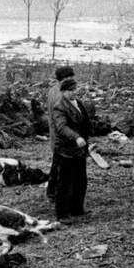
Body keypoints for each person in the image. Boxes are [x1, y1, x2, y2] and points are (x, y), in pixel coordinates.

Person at [49, 69, 93, 221]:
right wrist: (76, 137)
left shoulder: (77, 103)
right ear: (63, 91)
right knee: (64, 183)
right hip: (66, 150)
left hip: (80, 150)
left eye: (75, 90)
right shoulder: (59, 106)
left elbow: (84, 121)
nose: (74, 92)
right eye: (70, 90)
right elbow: (61, 127)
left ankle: (77, 209)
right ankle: (62, 214)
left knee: (80, 180)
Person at [45, 65, 74, 202]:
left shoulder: (53, 90)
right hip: (60, 134)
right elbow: (61, 115)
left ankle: (52, 192)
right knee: (61, 165)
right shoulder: (59, 94)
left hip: (55, 132)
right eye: (70, 78)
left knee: (57, 164)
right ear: (65, 78)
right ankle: (56, 194)